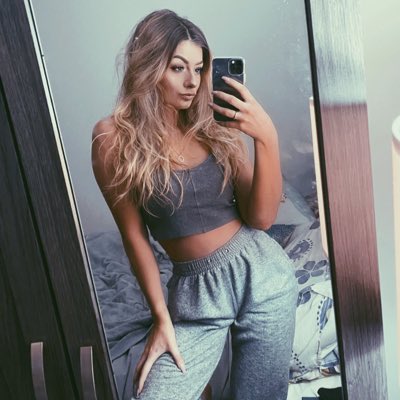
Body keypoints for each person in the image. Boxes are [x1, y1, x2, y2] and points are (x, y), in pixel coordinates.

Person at [91, 9, 297, 400]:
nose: (192, 82)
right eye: (178, 68)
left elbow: (262, 217)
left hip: (263, 276)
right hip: (195, 294)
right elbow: (134, 238)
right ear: (149, 66)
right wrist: (161, 318)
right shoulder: (112, 138)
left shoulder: (213, 125)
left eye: (199, 69)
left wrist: (266, 138)